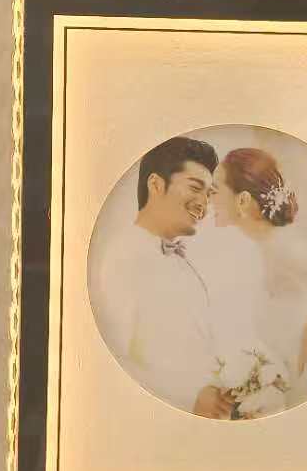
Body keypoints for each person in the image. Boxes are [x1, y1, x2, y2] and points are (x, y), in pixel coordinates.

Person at [94, 136, 234, 418]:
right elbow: (107, 362)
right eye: (195, 188)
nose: (204, 203)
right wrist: (190, 397)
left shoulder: (185, 265)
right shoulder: (123, 257)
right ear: (156, 185)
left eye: (209, 194)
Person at [210, 147, 307, 401]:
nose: (210, 198)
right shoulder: (260, 247)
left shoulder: (282, 245)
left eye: (216, 189)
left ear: (242, 200)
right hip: (286, 372)